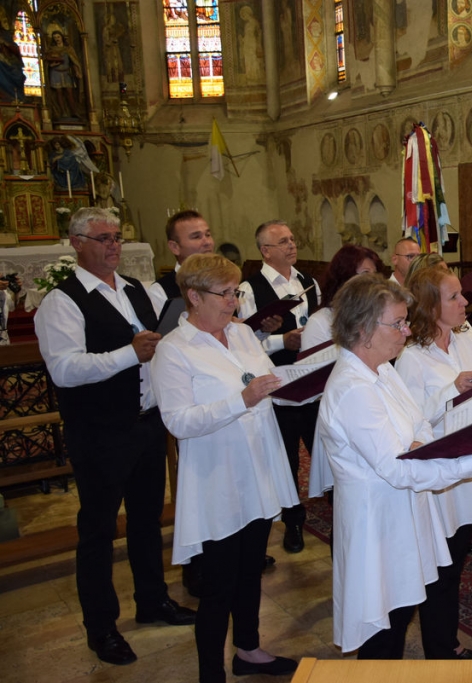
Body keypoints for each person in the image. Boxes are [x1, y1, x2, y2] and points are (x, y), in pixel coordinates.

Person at [34, 208, 195, 666]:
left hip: (145, 422)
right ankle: (101, 627)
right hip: (99, 430)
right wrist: (129, 353)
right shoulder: (62, 302)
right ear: (76, 242)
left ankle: (152, 600)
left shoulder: (135, 290)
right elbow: (65, 370)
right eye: (102, 238)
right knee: (99, 530)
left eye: (117, 237)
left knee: (147, 520)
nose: (113, 246)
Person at [314, 274, 472, 656]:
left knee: (400, 615)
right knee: (383, 632)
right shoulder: (353, 388)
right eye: (397, 323)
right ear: (363, 329)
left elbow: (419, 421)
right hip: (376, 523)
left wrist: (417, 445)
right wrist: (468, 464)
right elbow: (397, 469)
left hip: (400, 513)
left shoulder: (382, 369)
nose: (407, 331)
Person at [151, 254, 299, 683]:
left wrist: (301, 381)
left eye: (236, 292)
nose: (234, 301)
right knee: (219, 585)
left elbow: (267, 380)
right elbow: (178, 422)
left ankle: (248, 650)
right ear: (194, 296)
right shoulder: (174, 350)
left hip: (258, 469)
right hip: (217, 479)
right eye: (225, 293)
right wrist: (242, 400)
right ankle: (210, 672)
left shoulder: (242, 333)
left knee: (251, 570)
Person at [394, 266, 472, 659]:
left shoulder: (465, 342)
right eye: (453, 296)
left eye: (461, 294)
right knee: (439, 567)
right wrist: (449, 391)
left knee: (455, 561)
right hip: (439, 472)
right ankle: (440, 650)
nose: (464, 302)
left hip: (468, 463)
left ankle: (447, 642)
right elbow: (408, 422)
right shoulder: (411, 357)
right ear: (429, 305)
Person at [238, 220, 322, 554]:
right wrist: (280, 340)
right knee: (286, 457)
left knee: (322, 448)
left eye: (292, 239)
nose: (291, 245)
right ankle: (293, 521)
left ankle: (334, 506)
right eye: (283, 241)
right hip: (277, 386)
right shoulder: (249, 289)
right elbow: (243, 344)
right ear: (265, 251)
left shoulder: (308, 282)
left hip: (312, 381)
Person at [302, 244, 382, 351]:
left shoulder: (377, 315)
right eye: (365, 273)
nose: (374, 280)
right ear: (345, 278)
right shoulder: (320, 322)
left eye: (375, 273)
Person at [149, 210, 215, 317]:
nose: (207, 242)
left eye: (208, 235)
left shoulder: (224, 280)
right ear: (175, 247)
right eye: (196, 237)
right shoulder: (160, 292)